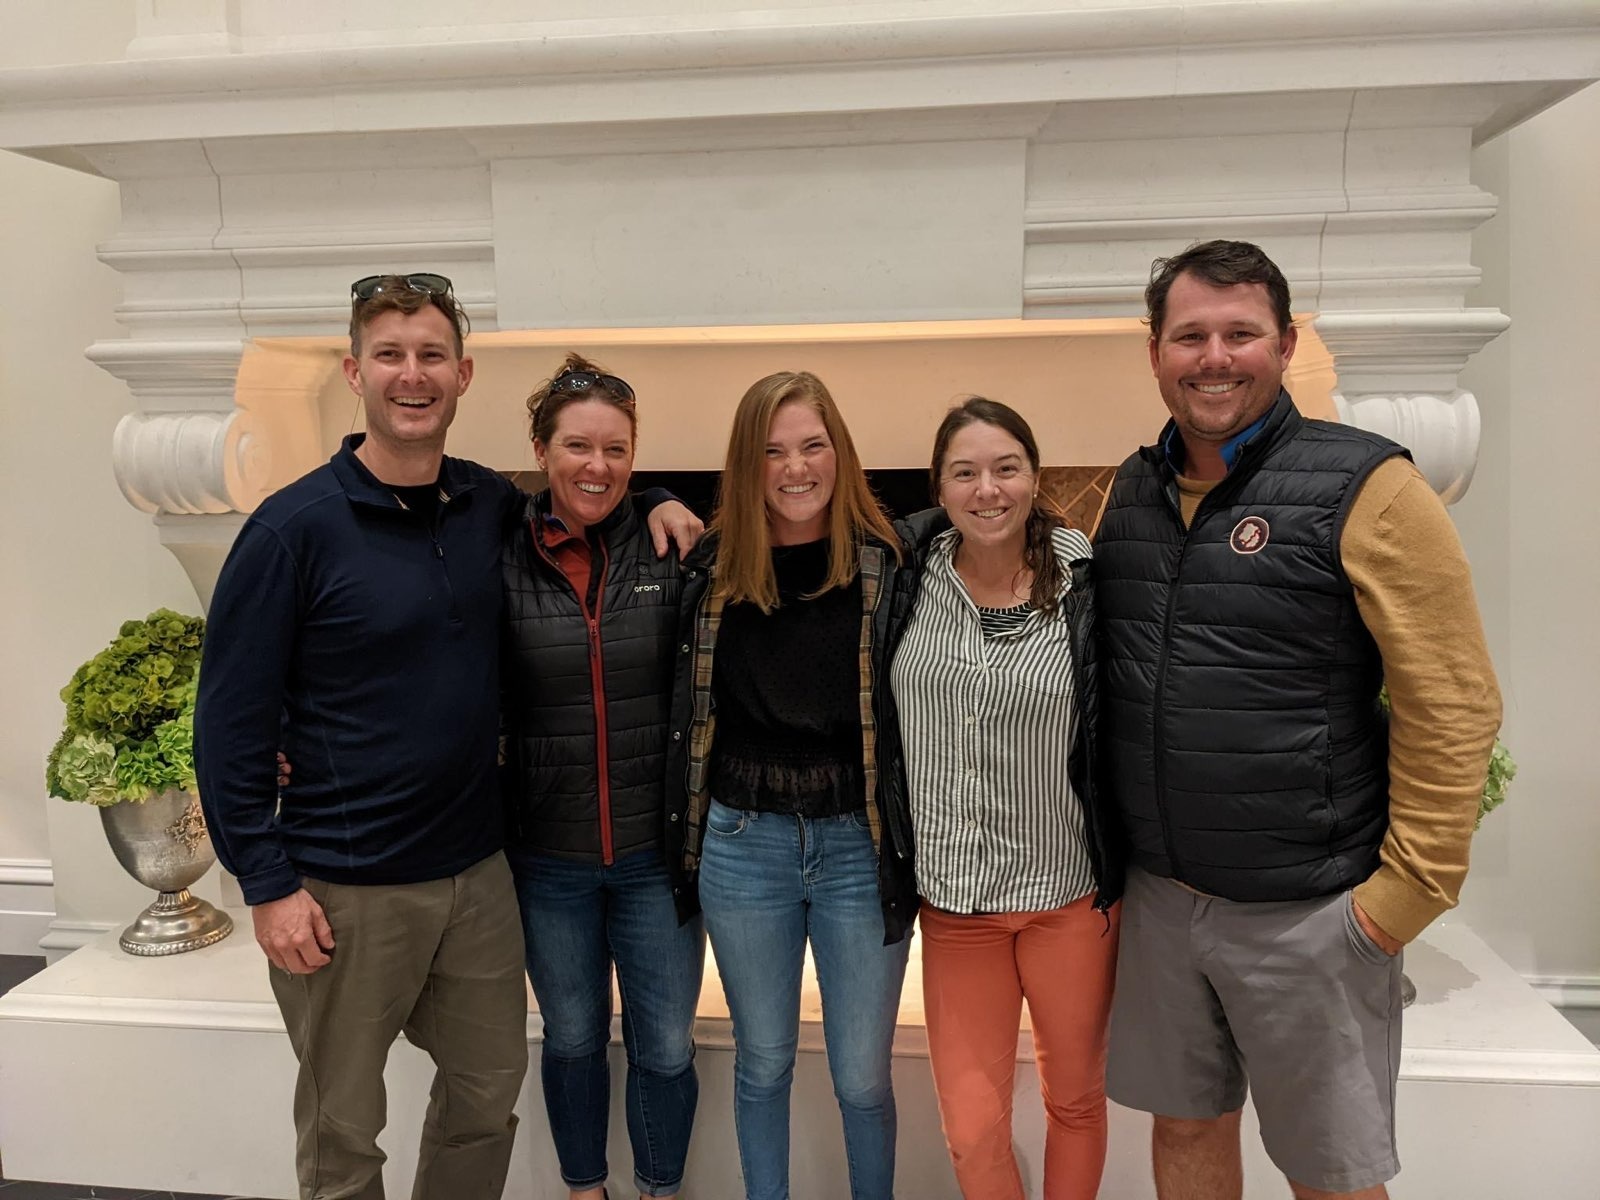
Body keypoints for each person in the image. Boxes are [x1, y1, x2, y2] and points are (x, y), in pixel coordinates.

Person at [195, 274, 699, 1200]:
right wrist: (265, 883)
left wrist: (661, 495)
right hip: (344, 890)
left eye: (432, 355)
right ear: (354, 371)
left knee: (485, 1098)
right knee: (344, 1131)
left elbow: (586, 495)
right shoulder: (290, 531)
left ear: (463, 375)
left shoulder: (487, 505)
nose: (412, 374)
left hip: (479, 878)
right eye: (389, 354)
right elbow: (228, 721)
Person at [1094, 240, 1503, 1200]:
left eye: (1240, 333)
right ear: (1154, 353)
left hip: (1310, 914)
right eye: (1190, 335)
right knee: (1184, 1132)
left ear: (1284, 346)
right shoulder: (1132, 493)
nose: (1214, 357)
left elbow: (1454, 699)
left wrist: (1402, 899)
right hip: (1162, 903)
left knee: (1332, 1175)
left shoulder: (1371, 487)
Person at [665, 371, 919, 1200]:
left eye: (813, 446)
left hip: (858, 847)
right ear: (747, 463)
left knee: (862, 1077)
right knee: (763, 1061)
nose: (796, 468)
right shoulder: (708, 570)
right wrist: (653, 500)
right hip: (744, 847)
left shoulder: (890, 565)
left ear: (840, 453)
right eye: (773, 452)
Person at [888, 398, 1122, 1199]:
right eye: (965, 472)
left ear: (1033, 476)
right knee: (971, 1129)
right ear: (939, 489)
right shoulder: (905, 576)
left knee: (1075, 1099)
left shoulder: (1087, 582)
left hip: (1068, 898)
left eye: (1005, 468)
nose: (987, 489)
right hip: (957, 907)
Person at [501, 354, 705, 1200]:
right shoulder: (498, 553)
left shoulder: (673, 548)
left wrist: (659, 497)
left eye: (616, 449)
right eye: (577, 446)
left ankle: (659, 1188)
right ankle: (585, 1190)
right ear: (541, 451)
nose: (598, 466)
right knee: (574, 1038)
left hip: (658, 857)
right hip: (549, 859)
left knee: (666, 1047)